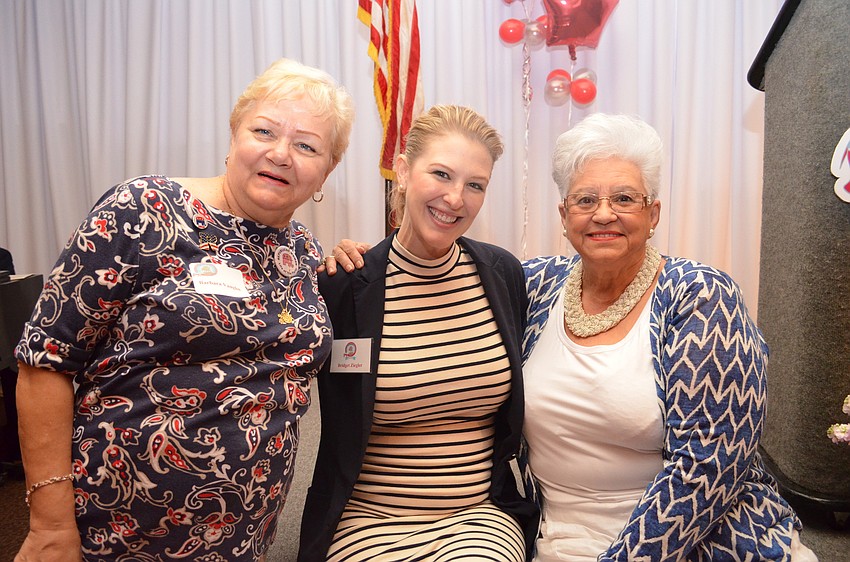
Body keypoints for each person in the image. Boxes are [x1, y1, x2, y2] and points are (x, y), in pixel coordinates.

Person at [326, 113, 817, 561]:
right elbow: (427, 297)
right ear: (564, 216)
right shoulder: (533, 284)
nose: (604, 214)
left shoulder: (702, 295)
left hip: (696, 536)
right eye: (586, 200)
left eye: (624, 198)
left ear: (654, 213)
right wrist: (354, 260)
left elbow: (710, 466)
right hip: (560, 533)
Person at [14, 57, 354, 561]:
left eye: (307, 146)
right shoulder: (144, 210)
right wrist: (49, 525)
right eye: (264, 131)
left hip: (243, 535)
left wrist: (362, 263)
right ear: (233, 137)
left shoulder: (303, 252)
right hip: (115, 530)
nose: (281, 154)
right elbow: (45, 359)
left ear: (327, 170)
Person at [298, 105, 539, 562]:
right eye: (442, 175)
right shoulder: (344, 284)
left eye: (475, 185)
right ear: (404, 172)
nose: (455, 198)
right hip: (366, 518)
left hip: (478, 519)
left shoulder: (502, 274)